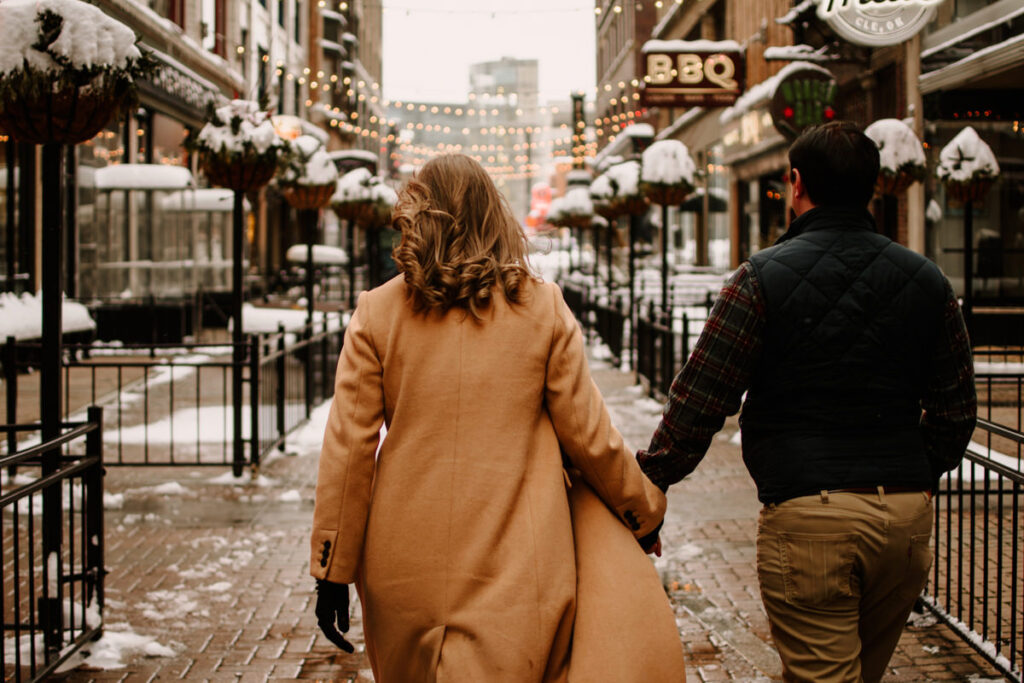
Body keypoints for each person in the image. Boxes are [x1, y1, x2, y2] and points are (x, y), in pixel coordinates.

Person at [636, 121, 977, 683]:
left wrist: (650, 490)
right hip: (905, 521)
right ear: (871, 186)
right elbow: (956, 411)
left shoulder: (758, 279)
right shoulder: (928, 281)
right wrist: (905, 468)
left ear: (795, 184)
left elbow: (701, 399)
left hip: (808, 515)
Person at [309, 154, 670, 682]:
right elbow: (589, 439)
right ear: (494, 216)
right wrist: (642, 512)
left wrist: (331, 569)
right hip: (518, 561)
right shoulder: (541, 308)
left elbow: (349, 449)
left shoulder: (378, 311)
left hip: (401, 563)